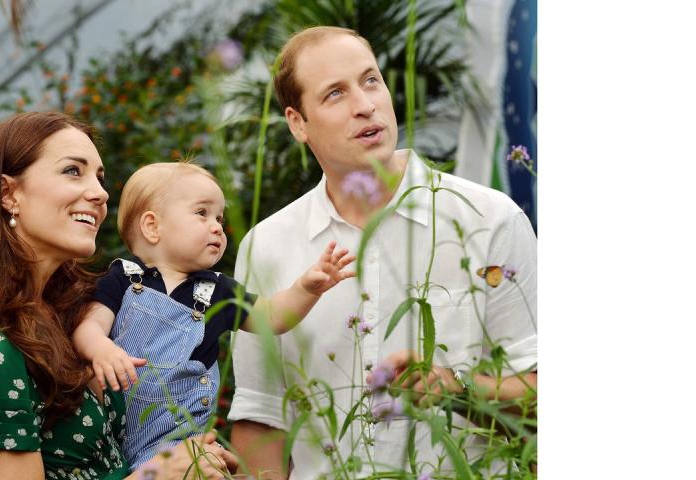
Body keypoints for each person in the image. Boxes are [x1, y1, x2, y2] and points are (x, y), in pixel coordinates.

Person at [226, 26, 538, 478]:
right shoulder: (267, 244)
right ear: (298, 123)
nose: (365, 104)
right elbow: (262, 417)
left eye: (370, 80)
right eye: (335, 93)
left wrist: (460, 389)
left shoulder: (490, 219)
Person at [0, 111, 238, 480]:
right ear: (8, 193)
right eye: (72, 171)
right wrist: (157, 474)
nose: (100, 193)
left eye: (100, 178)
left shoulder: (81, 317)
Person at [72, 161, 357, 470]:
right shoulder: (124, 278)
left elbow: (273, 317)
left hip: (180, 443)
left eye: (220, 218)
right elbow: (89, 326)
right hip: (113, 435)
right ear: (153, 226)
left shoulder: (217, 290)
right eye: (202, 213)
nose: (217, 226)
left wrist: (306, 288)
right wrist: (101, 348)